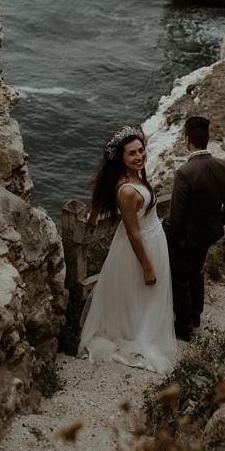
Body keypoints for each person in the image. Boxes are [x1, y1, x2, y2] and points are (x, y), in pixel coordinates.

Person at [78, 125, 177, 373]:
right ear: (121, 159)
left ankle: (141, 330)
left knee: (146, 296)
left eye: (141, 151)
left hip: (153, 238)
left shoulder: (136, 177)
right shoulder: (126, 191)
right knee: (142, 291)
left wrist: (95, 212)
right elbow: (133, 232)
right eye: (132, 153)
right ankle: (137, 336)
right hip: (141, 246)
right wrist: (146, 266)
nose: (139, 157)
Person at [164, 116, 225, 341]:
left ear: (187, 140)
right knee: (197, 273)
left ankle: (184, 327)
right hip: (207, 236)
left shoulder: (185, 173)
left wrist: (173, 235)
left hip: (185, 238)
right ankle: (196, 315)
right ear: (208, 138)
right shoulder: (224, 166)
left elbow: (176, 217)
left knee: (181, 280)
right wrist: (215, 223)